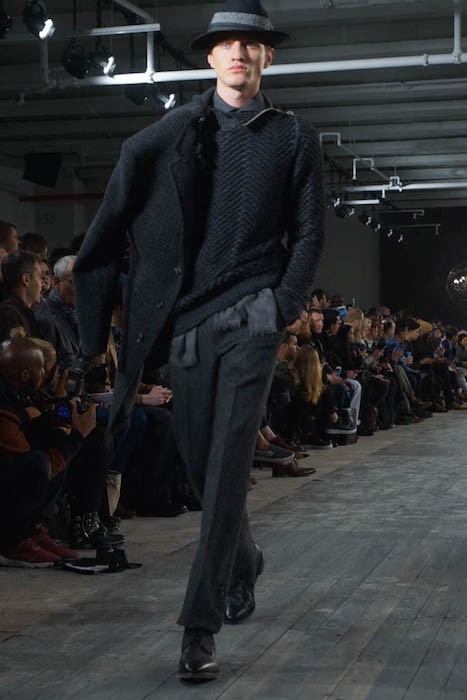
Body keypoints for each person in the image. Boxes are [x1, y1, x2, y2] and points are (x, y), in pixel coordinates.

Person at [73, 0, 324, 682]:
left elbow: (308, 233)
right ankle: (244, 560)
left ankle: (198, 626)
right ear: (210, 56)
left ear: (267, 56)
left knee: (228, 465)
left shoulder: (293, 136)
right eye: (226, 42)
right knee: (200, 469)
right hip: (185, 328)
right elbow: (106, 232)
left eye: (251, 43)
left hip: (251, 317)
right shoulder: (171, 135)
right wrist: (92, 337)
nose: (239, 52)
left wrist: (280, 307)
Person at [0, 336, 95, 566]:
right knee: (39, 464)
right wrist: (78, 437)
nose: (45, 373)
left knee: (54, 441)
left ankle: (31, 530)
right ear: (25, 375)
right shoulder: (3, 408)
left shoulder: (12, 391)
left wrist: (55, 416)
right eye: (41, 368)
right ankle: (12, 543)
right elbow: (28, 469)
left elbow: (29, 430)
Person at [0, 251, 44, 342]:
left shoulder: (24, 312)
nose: (42, 284)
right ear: (26, 279)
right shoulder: (8, 315)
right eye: (40, 277)